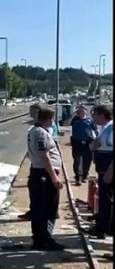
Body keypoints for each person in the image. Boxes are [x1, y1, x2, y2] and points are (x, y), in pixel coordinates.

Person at [26, 107, 65, 250]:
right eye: (52, 119)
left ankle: (39, 238)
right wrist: (54, 177)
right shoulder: (41, 133)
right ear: (48, 119)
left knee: (38, 207)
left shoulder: (35, 131)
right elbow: (44, 155)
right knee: (48, 207)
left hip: (40, 172)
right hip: (44, 173)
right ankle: (45, 239)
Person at [85, 104, 113, 239]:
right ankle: (101, 226)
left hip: (108, 170)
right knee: (103, 199)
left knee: (107, 200)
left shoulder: (111, 128)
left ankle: (104, 228)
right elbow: (93, 146)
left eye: (94, 114)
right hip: (103, 169)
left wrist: (110, 171)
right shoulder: (104, 128)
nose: (92, 117)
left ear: (102, 115)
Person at [68, 106, 98, 185]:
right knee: (77, 160)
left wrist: (97, 139)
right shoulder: (75, 119)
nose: (81, 112)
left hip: (88, 142)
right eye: (80, 110)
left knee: (87, 160)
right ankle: (78, 177)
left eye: (83, 110)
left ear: (86, 111)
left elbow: (95, 130)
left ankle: (84, 175)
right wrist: (72, 115)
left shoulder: (90, 120)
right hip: (77, 142)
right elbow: (65, 124)